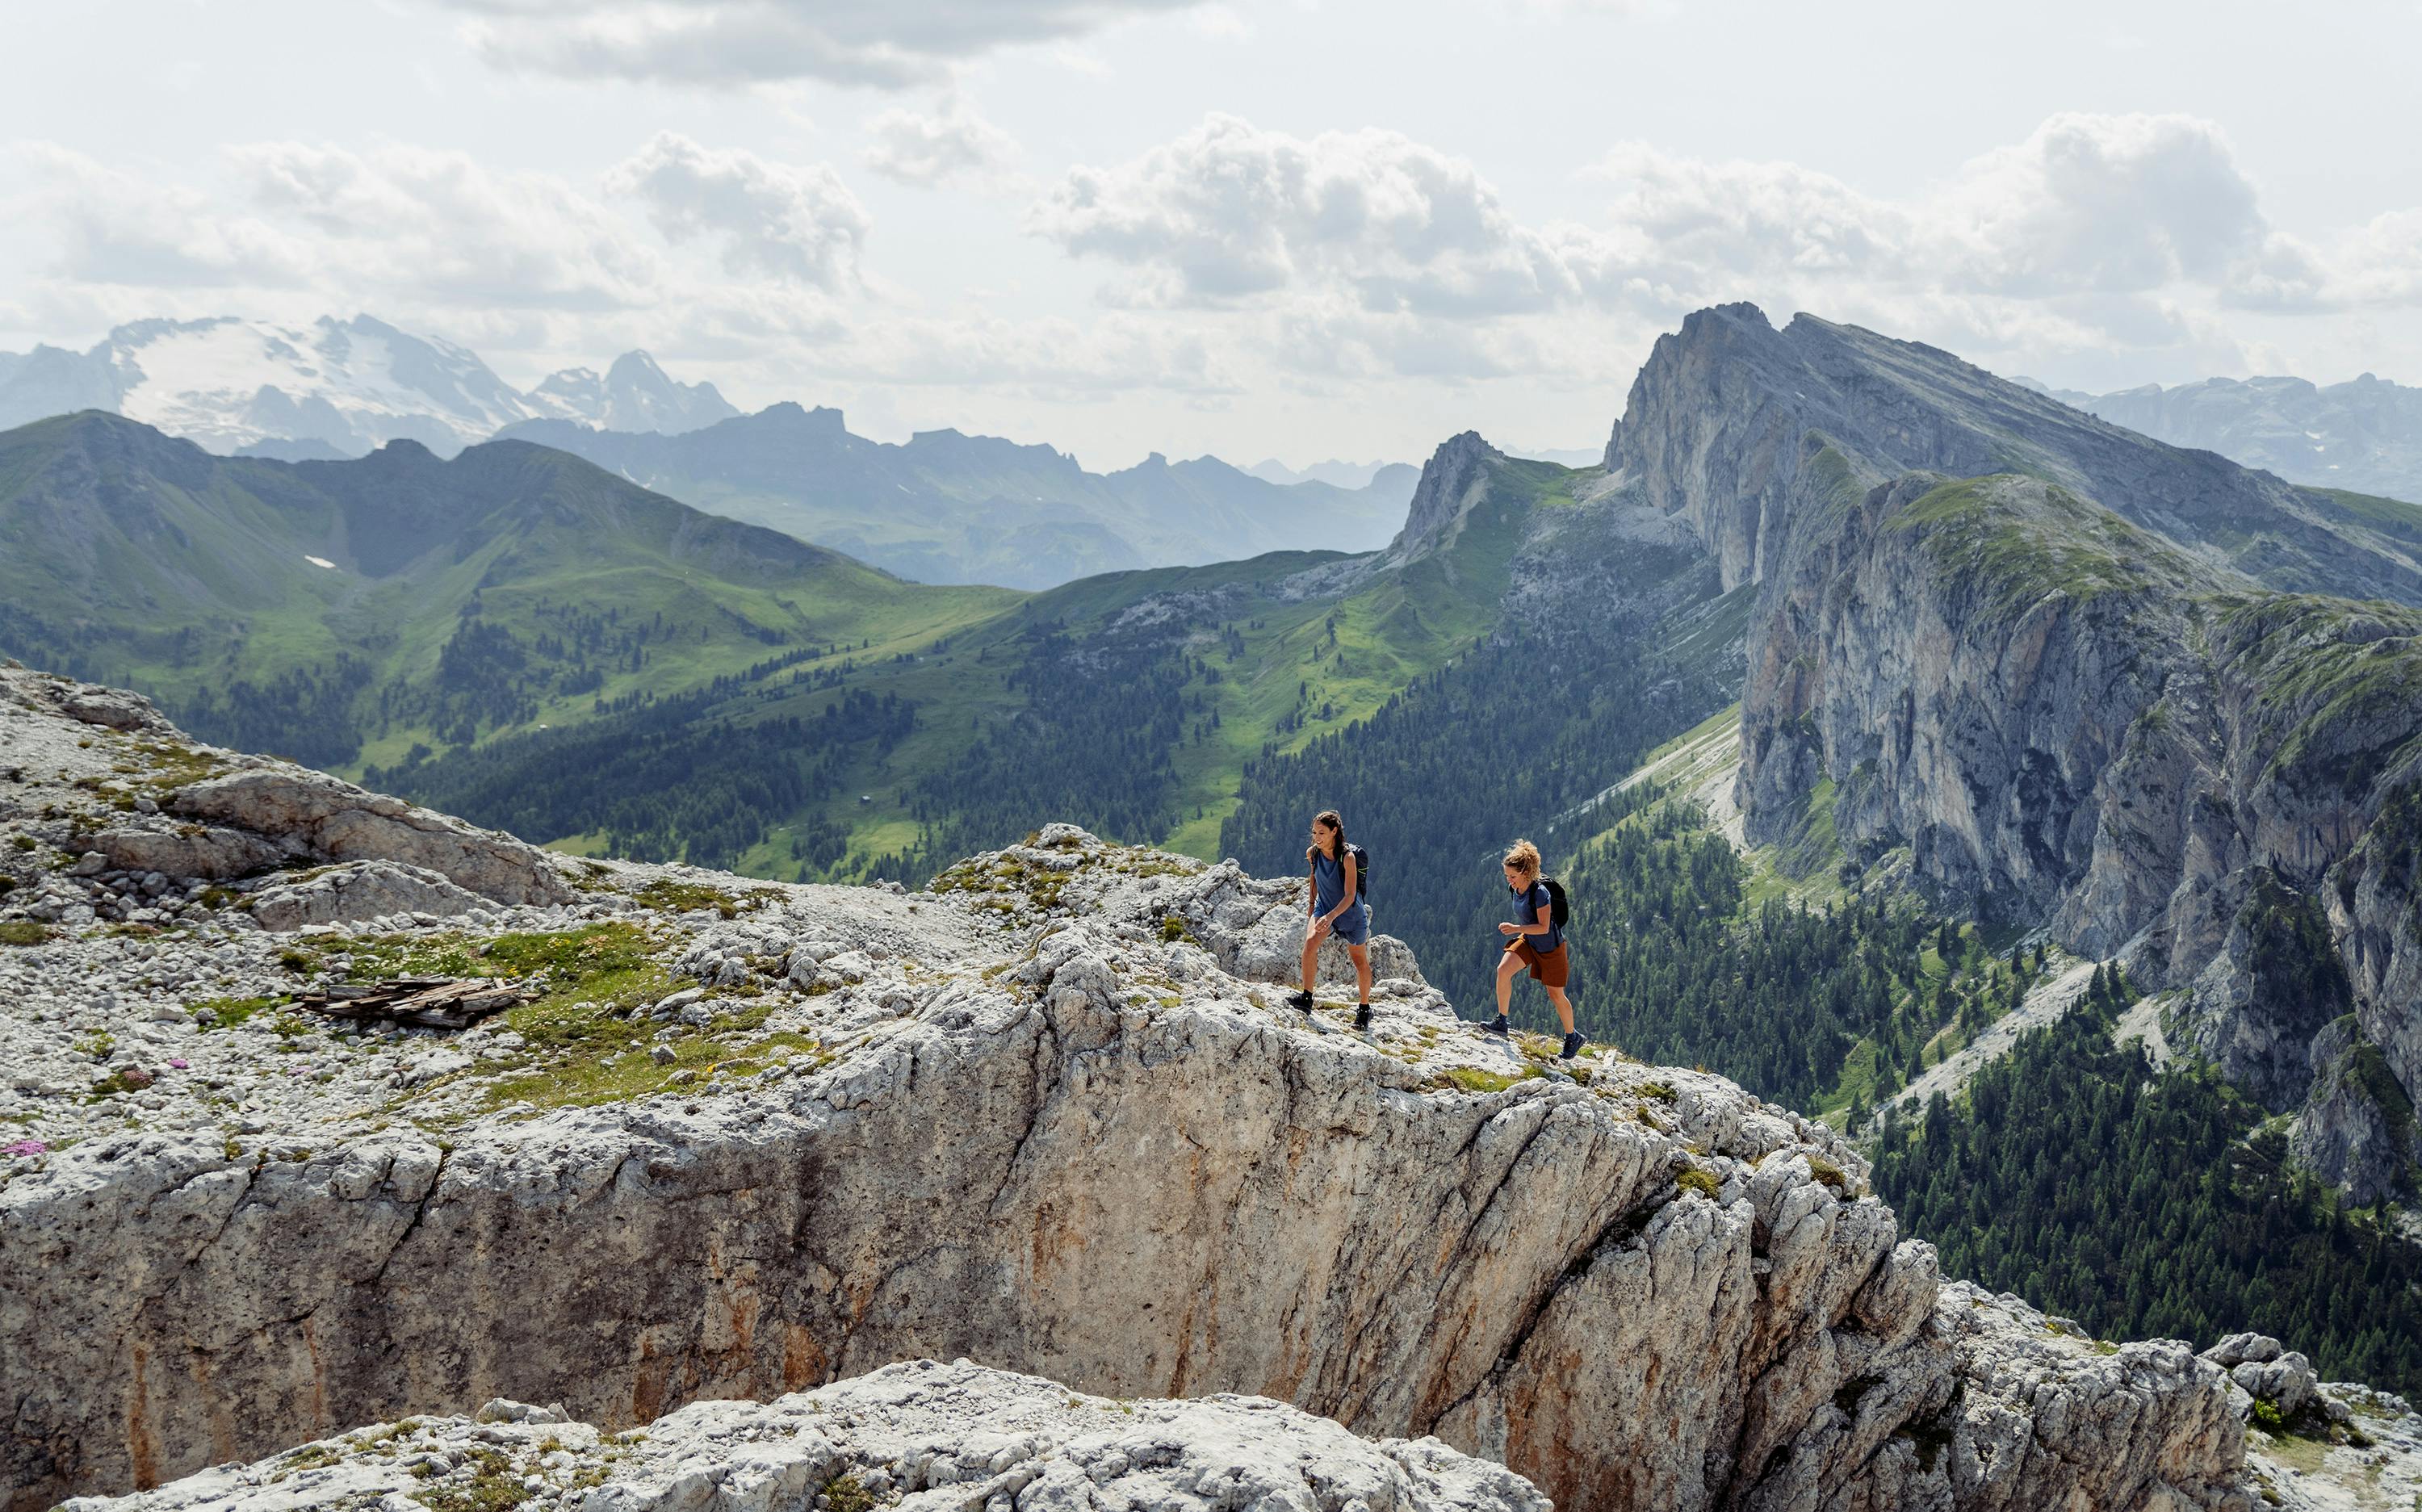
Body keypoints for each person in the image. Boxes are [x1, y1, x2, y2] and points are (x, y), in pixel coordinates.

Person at [1487, 838, 1582, 1060]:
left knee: (1555, 994)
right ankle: (1502, 1021)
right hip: (1530, 941)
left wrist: (1515, 928)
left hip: (1551, 947)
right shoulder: (1516, 888)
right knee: (1503, 971)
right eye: (1507, 876)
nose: (1509, 881)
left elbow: (1544, 927)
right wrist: (1520, 930)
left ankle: (1572, 1036)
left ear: (1526, 872)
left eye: (1513, 876)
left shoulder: (1540, 893)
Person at [1288, 809, 1373, 1031]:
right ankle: (1306, 999)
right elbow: (1314, 879)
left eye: (1322, 833)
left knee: (1359, 961)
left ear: (1335, 831)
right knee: (1310, 945)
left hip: (1350, 914)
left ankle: (1364, 1010)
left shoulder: (1348, 858)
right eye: (1314, 833)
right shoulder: (1313, 853)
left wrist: (1331, 916)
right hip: (1324, 907)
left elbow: (1350, 895)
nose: (1317, 838)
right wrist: (1311, 906)